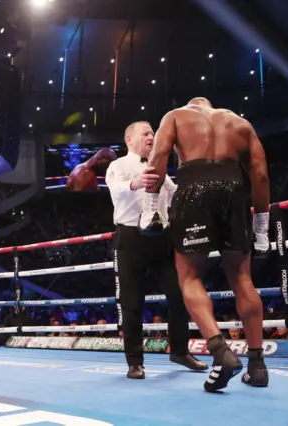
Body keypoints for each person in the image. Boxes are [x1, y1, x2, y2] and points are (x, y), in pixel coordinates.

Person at [141, 97, 270, 392]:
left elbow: (158, 158)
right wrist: (261, 229)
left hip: (194, 188)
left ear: (192, 105)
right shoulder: (241, 123)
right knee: (242, 276)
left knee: (188, 275)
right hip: (234, 190)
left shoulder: (175, 116)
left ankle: (220, 351)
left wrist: (151, 209)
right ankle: (257, 365)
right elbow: (260, 176)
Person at [105, 121, 207, 379]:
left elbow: (175, 195)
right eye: (145, 133)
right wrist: (135, 183)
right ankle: (135, 362)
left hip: (161, 238)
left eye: (153, 133)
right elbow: (115, 190)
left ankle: (180, 351)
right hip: (130, 238)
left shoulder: (162, 169)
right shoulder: (118, 166)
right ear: (129, 139)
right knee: (132, 303)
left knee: (179, 294)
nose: (151, 136)